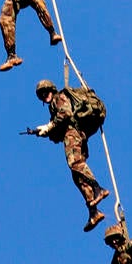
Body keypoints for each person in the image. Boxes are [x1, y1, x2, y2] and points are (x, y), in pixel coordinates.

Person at [33, 79, 109, 232]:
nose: (44, 96)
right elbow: (57, 133)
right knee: (77, 175)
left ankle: (97, 188)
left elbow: (65, 113)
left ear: (51, 89)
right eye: (42, 95)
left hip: (73, 134)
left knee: (75, 163)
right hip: (76, 134)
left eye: (45, 92)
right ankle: (93, 211)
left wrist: (50, 126)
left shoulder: (58, 98)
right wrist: (46, 132)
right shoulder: (53, 107)